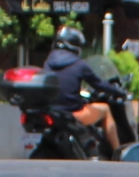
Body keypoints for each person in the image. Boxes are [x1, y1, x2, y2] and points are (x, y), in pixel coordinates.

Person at [39, 25, 125, 154]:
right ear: (75, 46)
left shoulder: (48, 62)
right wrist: (118, 91)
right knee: (106, 110)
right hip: (73, 114)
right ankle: (117, 152)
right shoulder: (79, 65)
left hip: (53, 112)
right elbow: (99, 84)